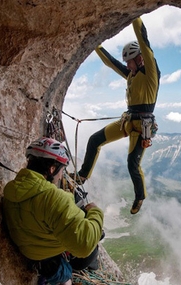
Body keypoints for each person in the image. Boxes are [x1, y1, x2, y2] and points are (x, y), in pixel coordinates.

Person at [75, 16, 161, 215]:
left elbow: (144, 41)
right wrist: (94, 44)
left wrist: (135, 15)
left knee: (133, 165)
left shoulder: (150, 74)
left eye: (130, 62)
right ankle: (82, 176)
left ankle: (140, 196)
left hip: (142, 126)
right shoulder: (131, 74)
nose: (128, 66)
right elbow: (111, 63)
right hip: (129, 120)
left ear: (139, 59)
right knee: (95, 140)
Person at [3, 137, 104, 285]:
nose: (61, 175)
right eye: (62, 169)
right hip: (44, 253)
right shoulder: (53, 198)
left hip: (29, 246)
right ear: (52, 168)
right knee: (93, 247)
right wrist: (95, 212)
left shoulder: (12, 189)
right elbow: (84, 244)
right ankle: (64, 275)